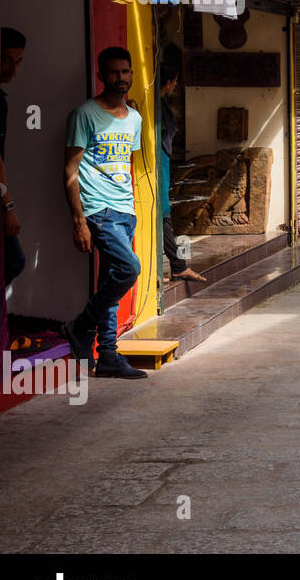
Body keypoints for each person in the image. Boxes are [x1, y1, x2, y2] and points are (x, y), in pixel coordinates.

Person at [60, 47, 148, 380]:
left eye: (126, 72)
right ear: (101, 76)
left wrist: (132, 208)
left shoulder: (136, 119)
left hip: (125, 211)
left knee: (110, 282)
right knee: (129, 269)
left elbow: (125, 165)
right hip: (99, 210)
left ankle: (108, 355)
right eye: (113, 72)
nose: (121, 78)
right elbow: (70, 169)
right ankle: (80, 327)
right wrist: (78, 221)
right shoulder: (84, 114)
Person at [158, 50, 204, 284]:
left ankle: (175, 265)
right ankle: (175, 265)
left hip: (160, 161)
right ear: (169, 82)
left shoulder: (159, 104)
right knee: (162, 212)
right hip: (159, 162)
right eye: (175, 81)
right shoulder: (157, 107)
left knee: (162, 212)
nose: (175, 85)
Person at [0, 27, 26, 286]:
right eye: (6, 59)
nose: (13, 69)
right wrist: (7, 206)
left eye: (17, 61)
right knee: (13, 260)